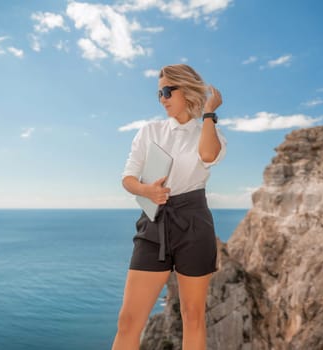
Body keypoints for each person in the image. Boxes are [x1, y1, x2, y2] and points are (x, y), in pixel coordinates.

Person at [112, 64, 227, 350]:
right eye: (158, 93)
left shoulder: (208, 132)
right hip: (154, 222)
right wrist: (146, 190)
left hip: (194, 223)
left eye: (166, 91)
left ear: (185, 90)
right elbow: (128, 178)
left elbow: (208, 154)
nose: (162, 98)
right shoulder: (150, 131)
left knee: (193, 317)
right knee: (128, 321)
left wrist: (210, 113)